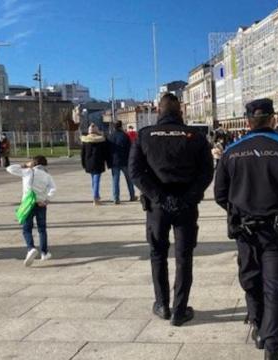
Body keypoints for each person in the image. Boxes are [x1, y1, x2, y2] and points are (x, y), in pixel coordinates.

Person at [214, 98, 278, 360]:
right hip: (277, 230)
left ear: (247, 121)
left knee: (251, 281)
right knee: (277, 288)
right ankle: (273, 347)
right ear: (273, 118)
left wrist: (239, 209)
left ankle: (260, 328)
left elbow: (219, 194)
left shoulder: (231, 151)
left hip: (245, 230)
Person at [129, 93, 213, 327]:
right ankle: (179, 309)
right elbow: (207, 172)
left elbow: (135, 172)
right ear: (180, 112)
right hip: (185, 204)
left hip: (157, 206)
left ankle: (162, 304)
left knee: (158, 254)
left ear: (159, 111)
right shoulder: (195, 136)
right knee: (184, 257)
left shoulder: (145, 135)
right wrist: (189, 197)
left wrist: (158, 197)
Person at [7, 156, 56, 266]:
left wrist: (24, 165)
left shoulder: (28, 172)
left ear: (33, 163)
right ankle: (44, 252)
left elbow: (10, 168)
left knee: (27, 228)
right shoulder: (47, 175)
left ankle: (31, 248)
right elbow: (53, 188)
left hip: (28, 204)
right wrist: (47, 199)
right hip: (41, 203)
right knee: (42, 229)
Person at [81, 124, 111, 206]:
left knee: (93, 180)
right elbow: (105, 153)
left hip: (89, 163)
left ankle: (96, 195)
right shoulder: (101, 140)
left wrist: (83, 164)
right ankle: (95, 197)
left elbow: (83, 154)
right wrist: (107, 161)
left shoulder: (85, 141)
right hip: (98, 162)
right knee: (96, 180)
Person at [108, 121, 137, 204]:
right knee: (129, 180)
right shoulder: (125, 136)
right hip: (125, 161)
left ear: (114, 127)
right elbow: (130, 148)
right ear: (121, 126)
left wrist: (109, 161)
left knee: (115, 180)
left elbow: (108, 150)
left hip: (114, 162)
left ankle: (116, 198)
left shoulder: (110, 137)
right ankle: (132, 195)